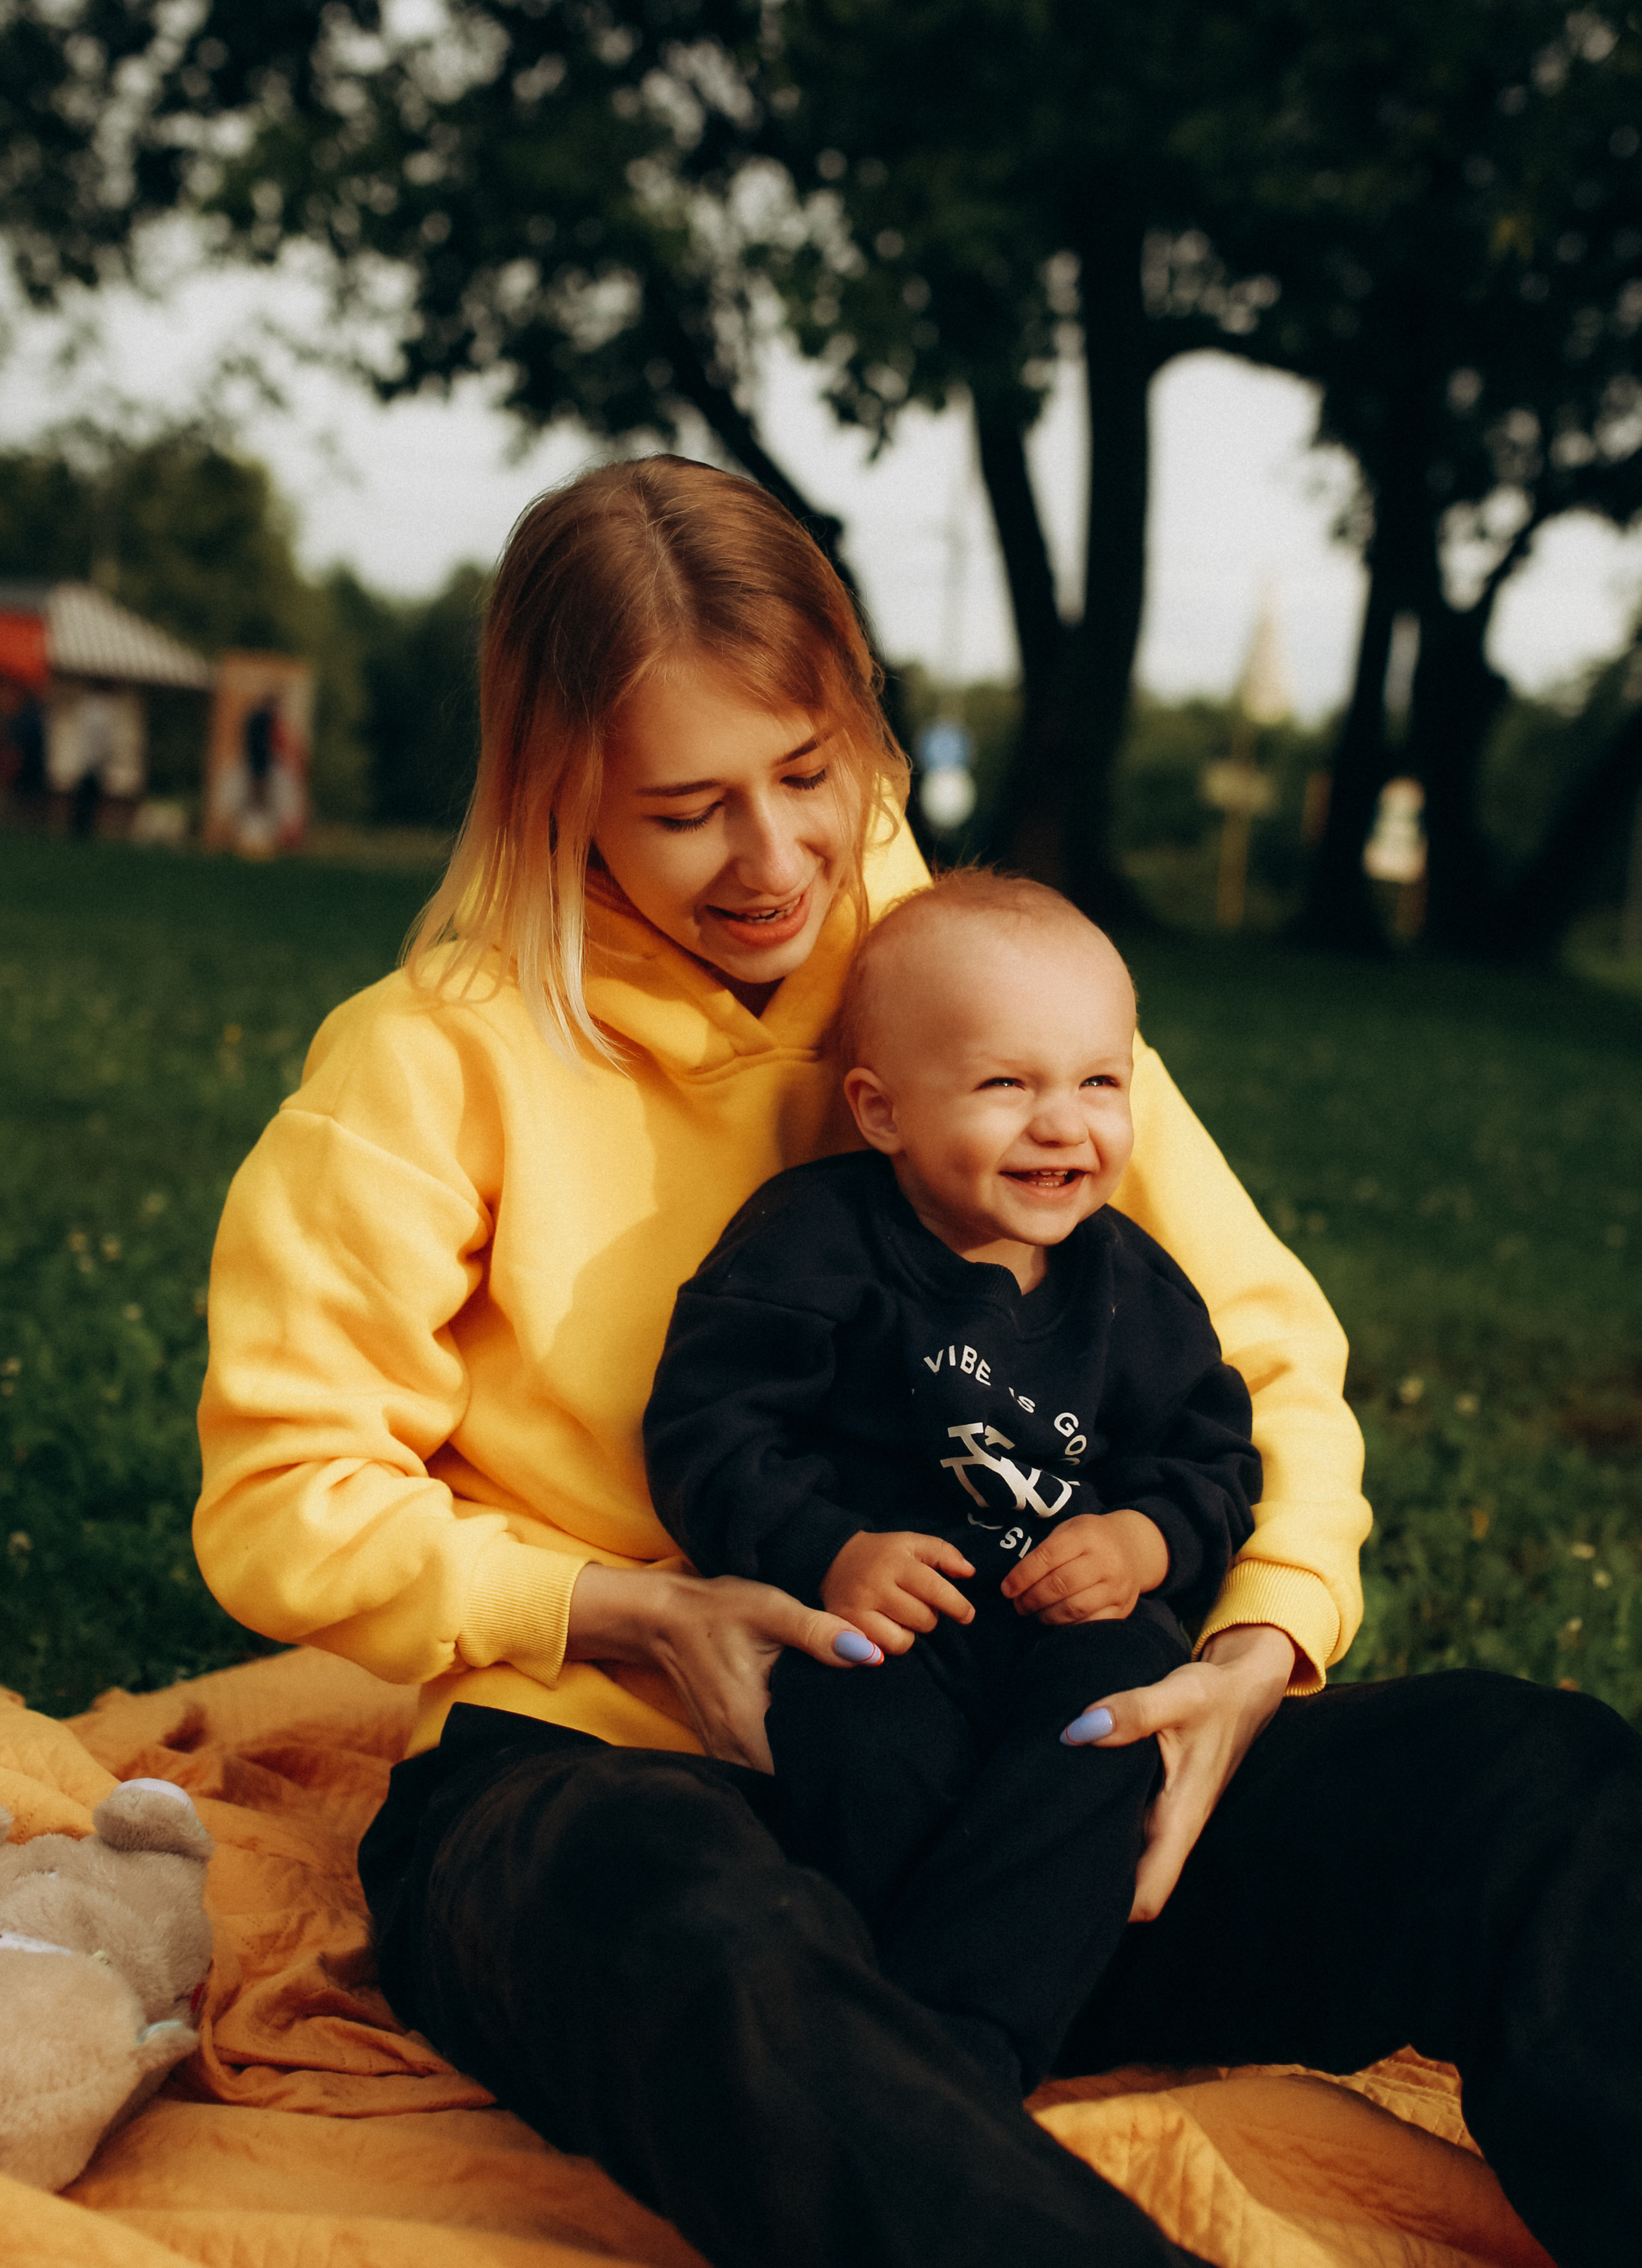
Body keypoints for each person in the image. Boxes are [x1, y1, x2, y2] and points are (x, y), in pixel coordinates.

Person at [195, 454, 1639, 2268]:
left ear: (859, 716)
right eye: (686, 809)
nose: (776, 857)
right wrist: (634, 1614)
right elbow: (282, 1491)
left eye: (808, 774)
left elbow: (1261, 1347)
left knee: (1539, 1782)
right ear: (561, 797)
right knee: (692, 1935)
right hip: (632, 1775)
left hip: (1048, 1779)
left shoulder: (979, 991)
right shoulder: (431, 1060)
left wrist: (1257, 1652)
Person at [644, 872, 1260, 2096]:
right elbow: (707, 1431)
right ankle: (903, 2002)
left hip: (1068, 1627)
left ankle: (969, 2038)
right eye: (1005, 1084)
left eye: (1099, 1081)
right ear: (879, 1112)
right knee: (865, 1746)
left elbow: (1215, 1459)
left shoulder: (1134, 1289)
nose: (1063, 1124)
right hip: (889, 1625)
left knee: (1110, 1734)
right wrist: (826, 1547)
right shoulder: (814, 1246)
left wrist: (1141, 1541)